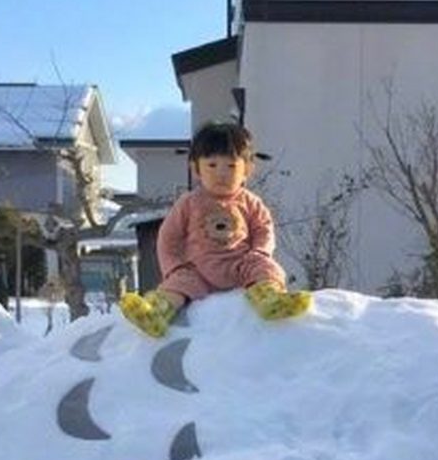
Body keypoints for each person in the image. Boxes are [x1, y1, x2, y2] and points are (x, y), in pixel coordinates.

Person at [119, 121, 311, 338]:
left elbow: (263, 229)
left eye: (231, 166)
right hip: (198, 270)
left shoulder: (251, 203)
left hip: (241, 266)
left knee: (265, 267)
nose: (221, 173)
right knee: (176, 285)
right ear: (196, 168)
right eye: (212, 165)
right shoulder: (189, 203)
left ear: (247, 170)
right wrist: (175, 267)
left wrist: (259, 252)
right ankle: (157, 313)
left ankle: (269, 298)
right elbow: (168, 238)